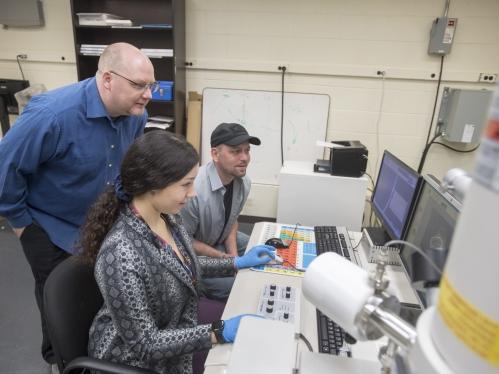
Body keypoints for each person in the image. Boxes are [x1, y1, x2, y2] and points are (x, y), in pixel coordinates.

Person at [0, 42, 155, 369]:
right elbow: (5, 168)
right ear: (108, 79)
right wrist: (22, 226)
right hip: (49, 227)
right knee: (58, 303)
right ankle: (60, 361)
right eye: (139, 85)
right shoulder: (52, 114)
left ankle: (97, 357)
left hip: (100, 223)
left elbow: (126, 168)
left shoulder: (135, 115)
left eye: (150, 86)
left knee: (96, 294)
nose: (148, 94)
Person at [80, 131, 274, 373]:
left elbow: (182, 266)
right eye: (186, 184)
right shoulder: (121, 253)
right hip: (134, 362)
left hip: (175, 325)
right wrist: (217, 332)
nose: (193, 192)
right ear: (153, 184)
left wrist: (236, 263)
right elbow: (145, 345)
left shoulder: (168, 218)